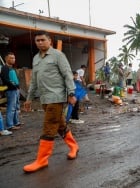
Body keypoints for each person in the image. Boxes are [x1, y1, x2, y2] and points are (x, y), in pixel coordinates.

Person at [23, 30, 79, 173]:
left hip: (56, 97)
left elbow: (67, 75)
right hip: (44, 98)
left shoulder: (58, 55)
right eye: (37, 40)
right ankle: (74, 146)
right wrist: (28, 99)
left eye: (42, 40)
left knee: (49, 126)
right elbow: (34, 81)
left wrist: (71, 93)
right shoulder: (36, 58)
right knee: (60, 125)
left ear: (49, 41)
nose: (40, 42)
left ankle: (42, 160)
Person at [1, 52, 23, 131]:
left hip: (16, 90)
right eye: (11, 58)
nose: (13, 59)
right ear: (6, 59)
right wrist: (13, 86)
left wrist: (18, 87)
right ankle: (10, 125)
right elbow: (5, 79)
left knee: (16, 106)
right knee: (11, 107)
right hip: (11, 90)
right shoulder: (5, 68)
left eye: (14, 58)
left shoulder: (12, 68)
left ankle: (16, 122)